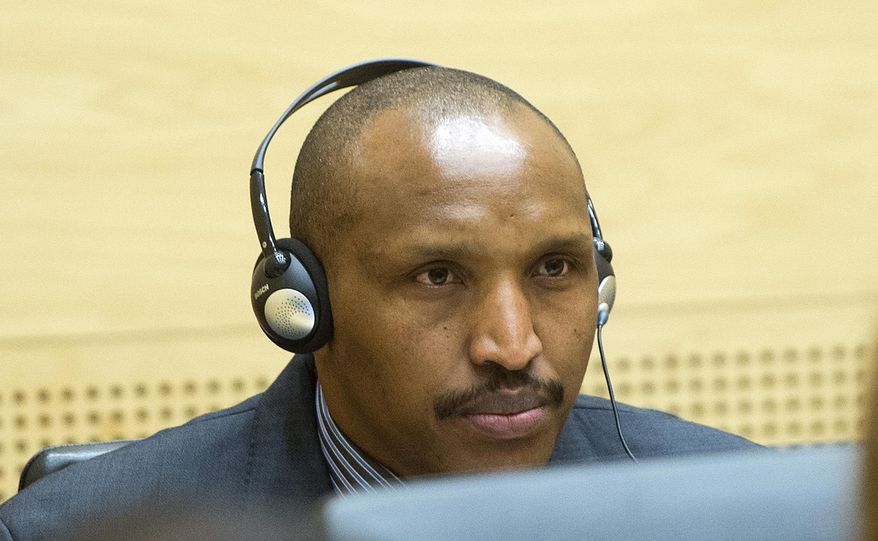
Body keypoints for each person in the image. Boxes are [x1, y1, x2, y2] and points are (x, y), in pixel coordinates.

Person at [0, 64, 756, 539]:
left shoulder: (744, 510)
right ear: (307, 304)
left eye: (554, 267)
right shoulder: (67, 533)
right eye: (438, 276)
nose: (513, 344)